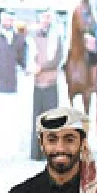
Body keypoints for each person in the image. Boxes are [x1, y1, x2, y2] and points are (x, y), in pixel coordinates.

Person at [0, 9, 27, 159]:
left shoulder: (19, 40)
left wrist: (29, 68)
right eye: (5, 19)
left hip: (12, 86)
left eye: (10, 19)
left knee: (11, 119)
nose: (7, 22)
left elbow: (23, 61)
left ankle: (10, 149)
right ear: (1, 21)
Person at [29, 10, 64, 160]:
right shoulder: (33, 36)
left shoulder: (56, 37)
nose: (46, 20)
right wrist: (32, 67)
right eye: (43, 17)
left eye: (48, 17)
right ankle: (36, 153)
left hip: (50, 83)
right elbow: (30, 57)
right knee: (37, 119)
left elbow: (56, 60)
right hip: (37, 84)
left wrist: (41, 68)